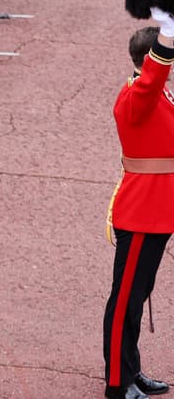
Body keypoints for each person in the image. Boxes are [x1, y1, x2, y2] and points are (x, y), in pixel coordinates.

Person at [102, 21, 174, 399]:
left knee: (139, 292)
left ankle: (131, 368)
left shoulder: (160, 94)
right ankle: (118, 382)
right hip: (142, 212)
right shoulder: (137, 95)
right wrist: (169, 27)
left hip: (159, 210)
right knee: (126, 298)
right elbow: (154, 74)